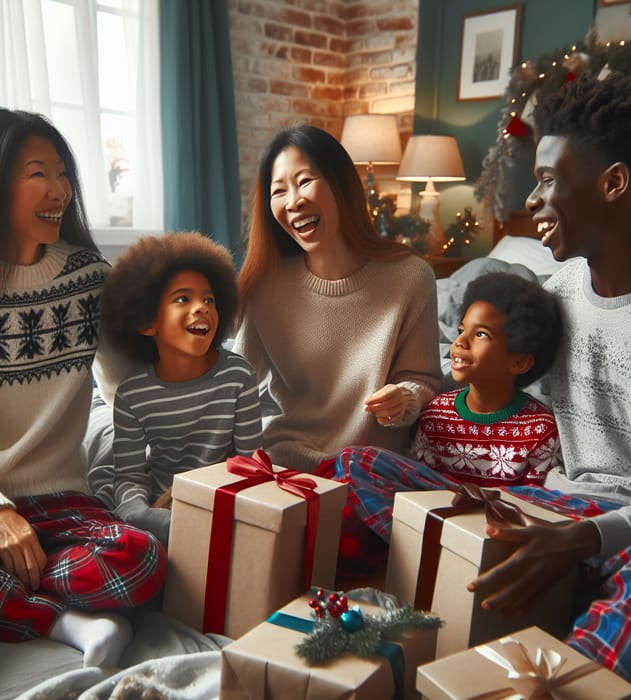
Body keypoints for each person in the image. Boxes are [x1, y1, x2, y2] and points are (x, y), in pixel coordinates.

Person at [466, 72, 631, 698]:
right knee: (364, 467)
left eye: (548, 179)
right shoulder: (558, 295)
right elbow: (517, 409)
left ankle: (558, 682)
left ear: (613, 183)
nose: (534, 199)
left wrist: (585, 539)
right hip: (554, 508)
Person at [0, 109, 166, 667]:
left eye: (64, 173)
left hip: (60, 501)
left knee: (140, 558)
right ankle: (66, 623)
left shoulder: (88, 276)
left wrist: (170, 470)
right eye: (38, 173)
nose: (61, 190)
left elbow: (129, 390)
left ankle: (17, 598)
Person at [233, 124, 443, 472]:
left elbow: (425, 380)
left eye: (304, 181)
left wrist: (405, 397)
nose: (294, 200)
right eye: (279, 190)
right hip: (285, 467)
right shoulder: (265, 288)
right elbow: (233, 386)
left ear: (341, 184)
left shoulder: (411, 277)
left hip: (369, 471)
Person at [332, 271, 563, 571]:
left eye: (481, 335)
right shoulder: (436, 413)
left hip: (494, 535)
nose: (459, 343)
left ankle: (451, 558)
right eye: (462, 329)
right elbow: (422, 494)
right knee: (354, 461)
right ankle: (430, 553)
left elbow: (533, 512)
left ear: (518, 362)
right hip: (435, 524)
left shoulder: (540, 428)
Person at [89, 232, 263, 545]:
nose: (201, 308)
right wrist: (146, 514)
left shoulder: (238, 376)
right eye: (183, 299)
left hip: (220, 503)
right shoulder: (132, 394)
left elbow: (251, 465)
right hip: (155, 508)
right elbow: (129, 478)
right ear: (147, 322)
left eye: (209, 299)